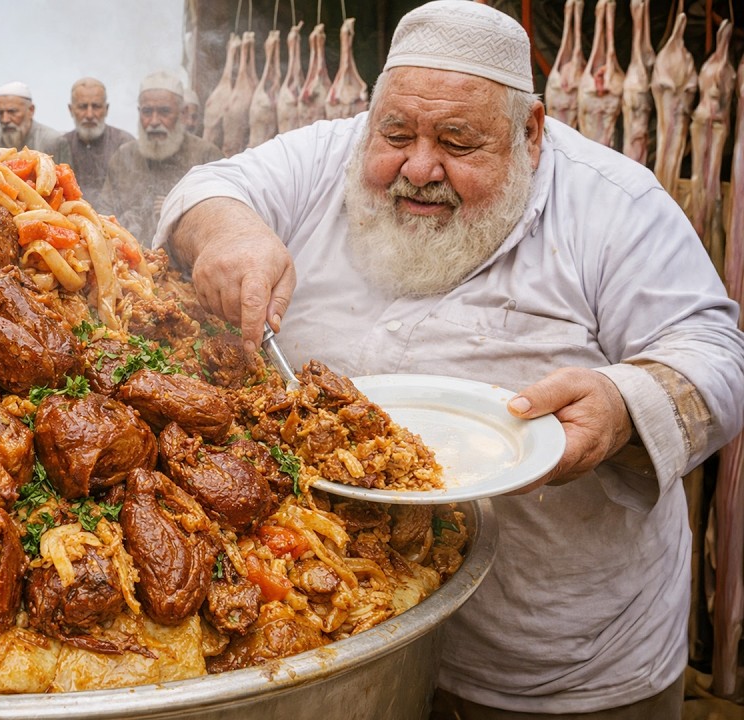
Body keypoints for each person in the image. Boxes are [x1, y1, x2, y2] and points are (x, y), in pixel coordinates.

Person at [154, 2, 744, 717]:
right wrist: (228, 229)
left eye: (459, 142)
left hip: (554, 659)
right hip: (356, 640)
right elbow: (207, 187)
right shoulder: (327, 154)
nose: (419, 166)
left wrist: (623, 408)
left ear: (530, 132)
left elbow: (713, 354)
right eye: (396, 134)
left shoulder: (614, 206)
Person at [100, 71, 223, 247]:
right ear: (139, 112)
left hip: (189, 269)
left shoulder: (207, 156)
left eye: (164, 112)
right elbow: (103, 214)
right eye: (147, 112)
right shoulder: (123, 157)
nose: (154, 121)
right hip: (130, 266)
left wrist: (181, 209)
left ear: (182, 113)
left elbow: (223, 216)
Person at [60, 77, 134, 201]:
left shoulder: (125, 144)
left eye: (96, 106)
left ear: (106, 109)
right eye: (83, 107)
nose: (89, 115)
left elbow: (135, 197)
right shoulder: (61, 145)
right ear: (71, 110)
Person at [0, 81, 70, 161]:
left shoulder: (53, 141)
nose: (5, 119)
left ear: (31, 110)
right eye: (1, 112)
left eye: (12, 112)